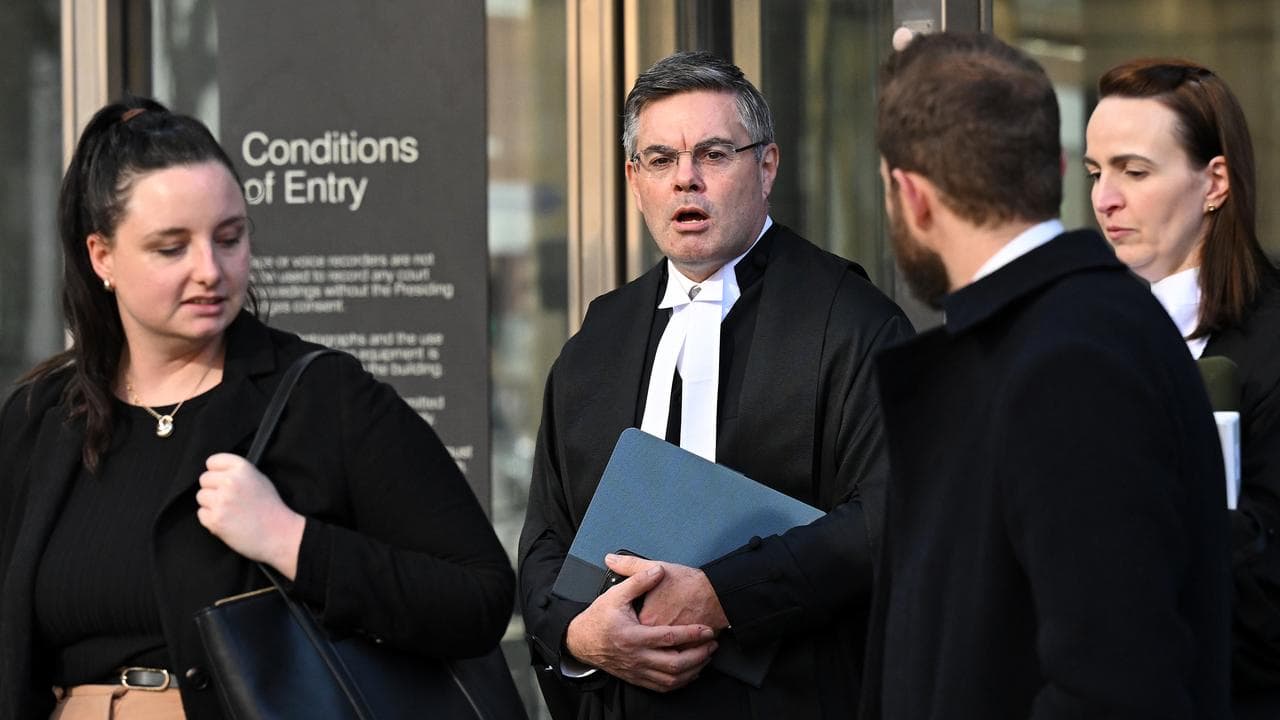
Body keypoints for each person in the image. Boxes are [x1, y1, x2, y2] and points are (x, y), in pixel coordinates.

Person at [0, 97, 515, 720]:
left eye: (229, 238)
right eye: (171, 248)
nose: (209, 270)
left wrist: (291, 541)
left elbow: (478, 596)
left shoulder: (324, 398)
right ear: (101, 256)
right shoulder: (42, 418)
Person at [517, 51, 912, 719]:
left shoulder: (852, 322)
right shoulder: (597, 340)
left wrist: (723, 595)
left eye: (714, 154)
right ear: (634, 180)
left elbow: (889, 515)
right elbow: (544, 540)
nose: (686, 179)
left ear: (767, 166)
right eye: (660, 159)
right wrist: (579, 635)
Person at [859, 32, 1230, 718]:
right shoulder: (1067, 332)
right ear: (1057, 168)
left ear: (911, 195)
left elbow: (1117, 688)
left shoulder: (1069, 362)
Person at [1085, 57, 1280, 717]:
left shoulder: (1270, 346)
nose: (1105, 199)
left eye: (1134, 171)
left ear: (1215, 182)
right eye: (1095, 172)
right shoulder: (1092, 331)